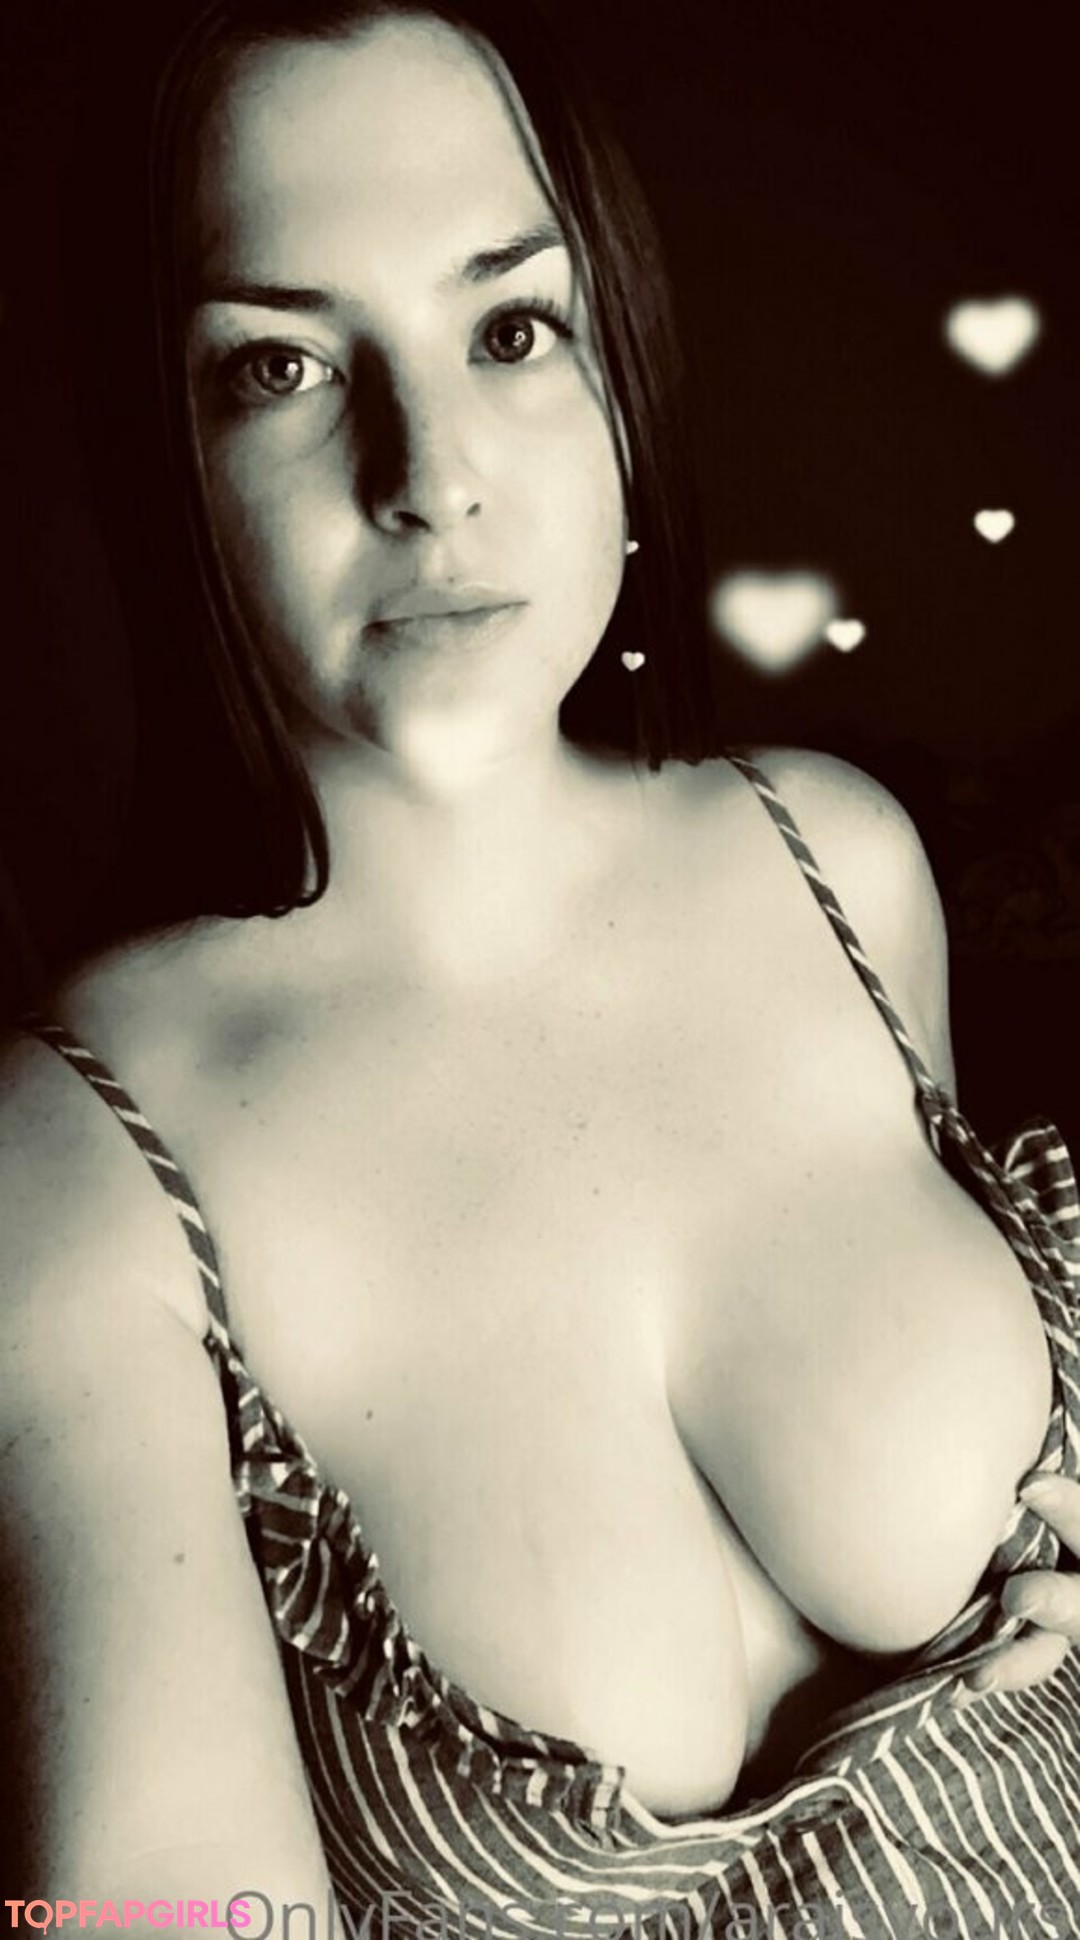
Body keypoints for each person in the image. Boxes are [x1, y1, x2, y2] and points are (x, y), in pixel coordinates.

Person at [2, 0, 1079, 1930]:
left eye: (509, 328)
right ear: (165, 459)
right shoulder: (72, 1160)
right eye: (278, 366)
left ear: (616, 365)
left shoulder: (834, 860)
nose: (430, 475)